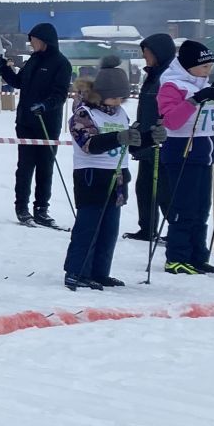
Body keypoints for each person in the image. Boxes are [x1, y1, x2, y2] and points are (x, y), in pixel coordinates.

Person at [156, 40, 214, 276]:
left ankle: (198, 256)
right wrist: (194, 100)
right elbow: (171, 121)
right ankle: (176, 258)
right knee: (184, 208)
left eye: (210, 66)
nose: (208, 71)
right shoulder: (172, 85)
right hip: (181, 151)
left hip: (204, 153)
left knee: (201, 209)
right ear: (188, 66)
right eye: (204, 66)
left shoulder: (204, 86)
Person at [64, 56, 138, 290]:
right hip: (92, 176)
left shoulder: (120, 114)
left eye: (122, 97)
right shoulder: (84, 114)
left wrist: (146, 139)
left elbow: (129, 142)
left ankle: (100, 271)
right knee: (89, 226)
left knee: (109, 228)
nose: (118, 101)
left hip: (117, 176)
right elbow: (89, 144)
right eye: (114, 96)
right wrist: (119, 137)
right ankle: (77, 271)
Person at [0, 23, 73, 229]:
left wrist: (45, 106)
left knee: (45, 167)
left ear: (44, 40)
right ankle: (22, 207)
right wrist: (4, 69)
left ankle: (41, 209)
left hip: (47, 124)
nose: (31, 42)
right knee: (25, 166)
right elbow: (19, 82)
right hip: (26, 123)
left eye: (33, 39)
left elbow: (60, 94)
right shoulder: (33, 61)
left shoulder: (61, 63)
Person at [126, 33, 176, 241]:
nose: (144, 57)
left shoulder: (169, 76)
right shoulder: (153, 74)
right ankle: (147, 228)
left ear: (159, 53)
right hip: (147, 140)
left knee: (164, 191)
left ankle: (176, 229)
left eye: (147, 53)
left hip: (162, 141)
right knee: (144, 188)